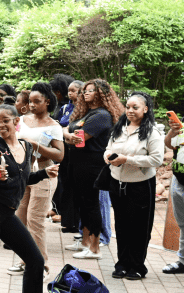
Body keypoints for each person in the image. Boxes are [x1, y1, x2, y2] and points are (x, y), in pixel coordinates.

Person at [0, 103, 60, 293]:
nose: (0, 125)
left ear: (16, 121)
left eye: (5, 121)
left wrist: (44, 173)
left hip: (7, 213)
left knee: (35, 260)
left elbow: (23, 178)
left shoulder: (26, 147)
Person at [104, 92, 163, 280]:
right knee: (121, 226)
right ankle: (122, 264)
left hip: (140, 186)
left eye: (135, 107)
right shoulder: (119, 128)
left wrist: (127, 159)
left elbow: (157, 159)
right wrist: (107, 156)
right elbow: (108, 148)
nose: (130, 111)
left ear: (145, 109)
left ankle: (137, 266)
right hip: (117, 183)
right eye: (128, 107)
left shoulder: (152, 132)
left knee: (139, 227)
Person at [8, 82, 64, 279]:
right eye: (30, 101)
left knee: (35, 220)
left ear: (47, 102)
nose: (31, 105)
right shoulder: (21, 120)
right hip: (24, 174)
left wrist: (36, 146)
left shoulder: (54, 127)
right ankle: (25, 260)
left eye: (36, 101)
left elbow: (59, 155)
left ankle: (42, 266)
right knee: (21, 219)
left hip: (45, 174)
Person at [66, 79, 124, 260]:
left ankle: (95, 247)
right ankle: (84, 242)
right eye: (85, 90)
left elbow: (80, 139)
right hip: (79, 163)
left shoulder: (102, 115)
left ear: (101, 93)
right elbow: (70, 133)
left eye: (91, 90)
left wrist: (66, 134)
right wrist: (68, 134)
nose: (86, 93)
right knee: (83, 204)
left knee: (91, 205)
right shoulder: (88, 113)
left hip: (91, 165)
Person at [58, 80, 84, 233]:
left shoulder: (83, 109)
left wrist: (65, 130)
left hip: (76, 149)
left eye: (74, 90)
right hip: (64, 149)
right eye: (69, 90)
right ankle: (67, 221)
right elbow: (60, 123)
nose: (70, 93)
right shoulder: (65, 108)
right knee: (65, 184)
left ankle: (77, 222)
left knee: (75, 185)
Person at [163, 113, 184, 275]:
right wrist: (173, 131)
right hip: (179, 180)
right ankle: (182, 261)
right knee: (183, 224)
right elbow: (169, 144)